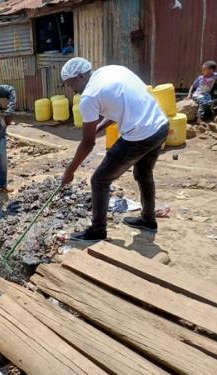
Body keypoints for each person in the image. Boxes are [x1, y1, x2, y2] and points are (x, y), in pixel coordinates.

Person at [60, 57, 169, 241]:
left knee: (99, 180)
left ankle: (97, 231)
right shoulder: (111, 71)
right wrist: (98, 129)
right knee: (144, 173)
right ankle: (148, 220)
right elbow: (118, 108)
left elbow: (87, 144)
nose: (72, 90)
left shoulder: (89, 96)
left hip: (140, 134)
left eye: (71, 84)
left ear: (79, 76)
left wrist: (69, 172)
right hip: (160, 126)